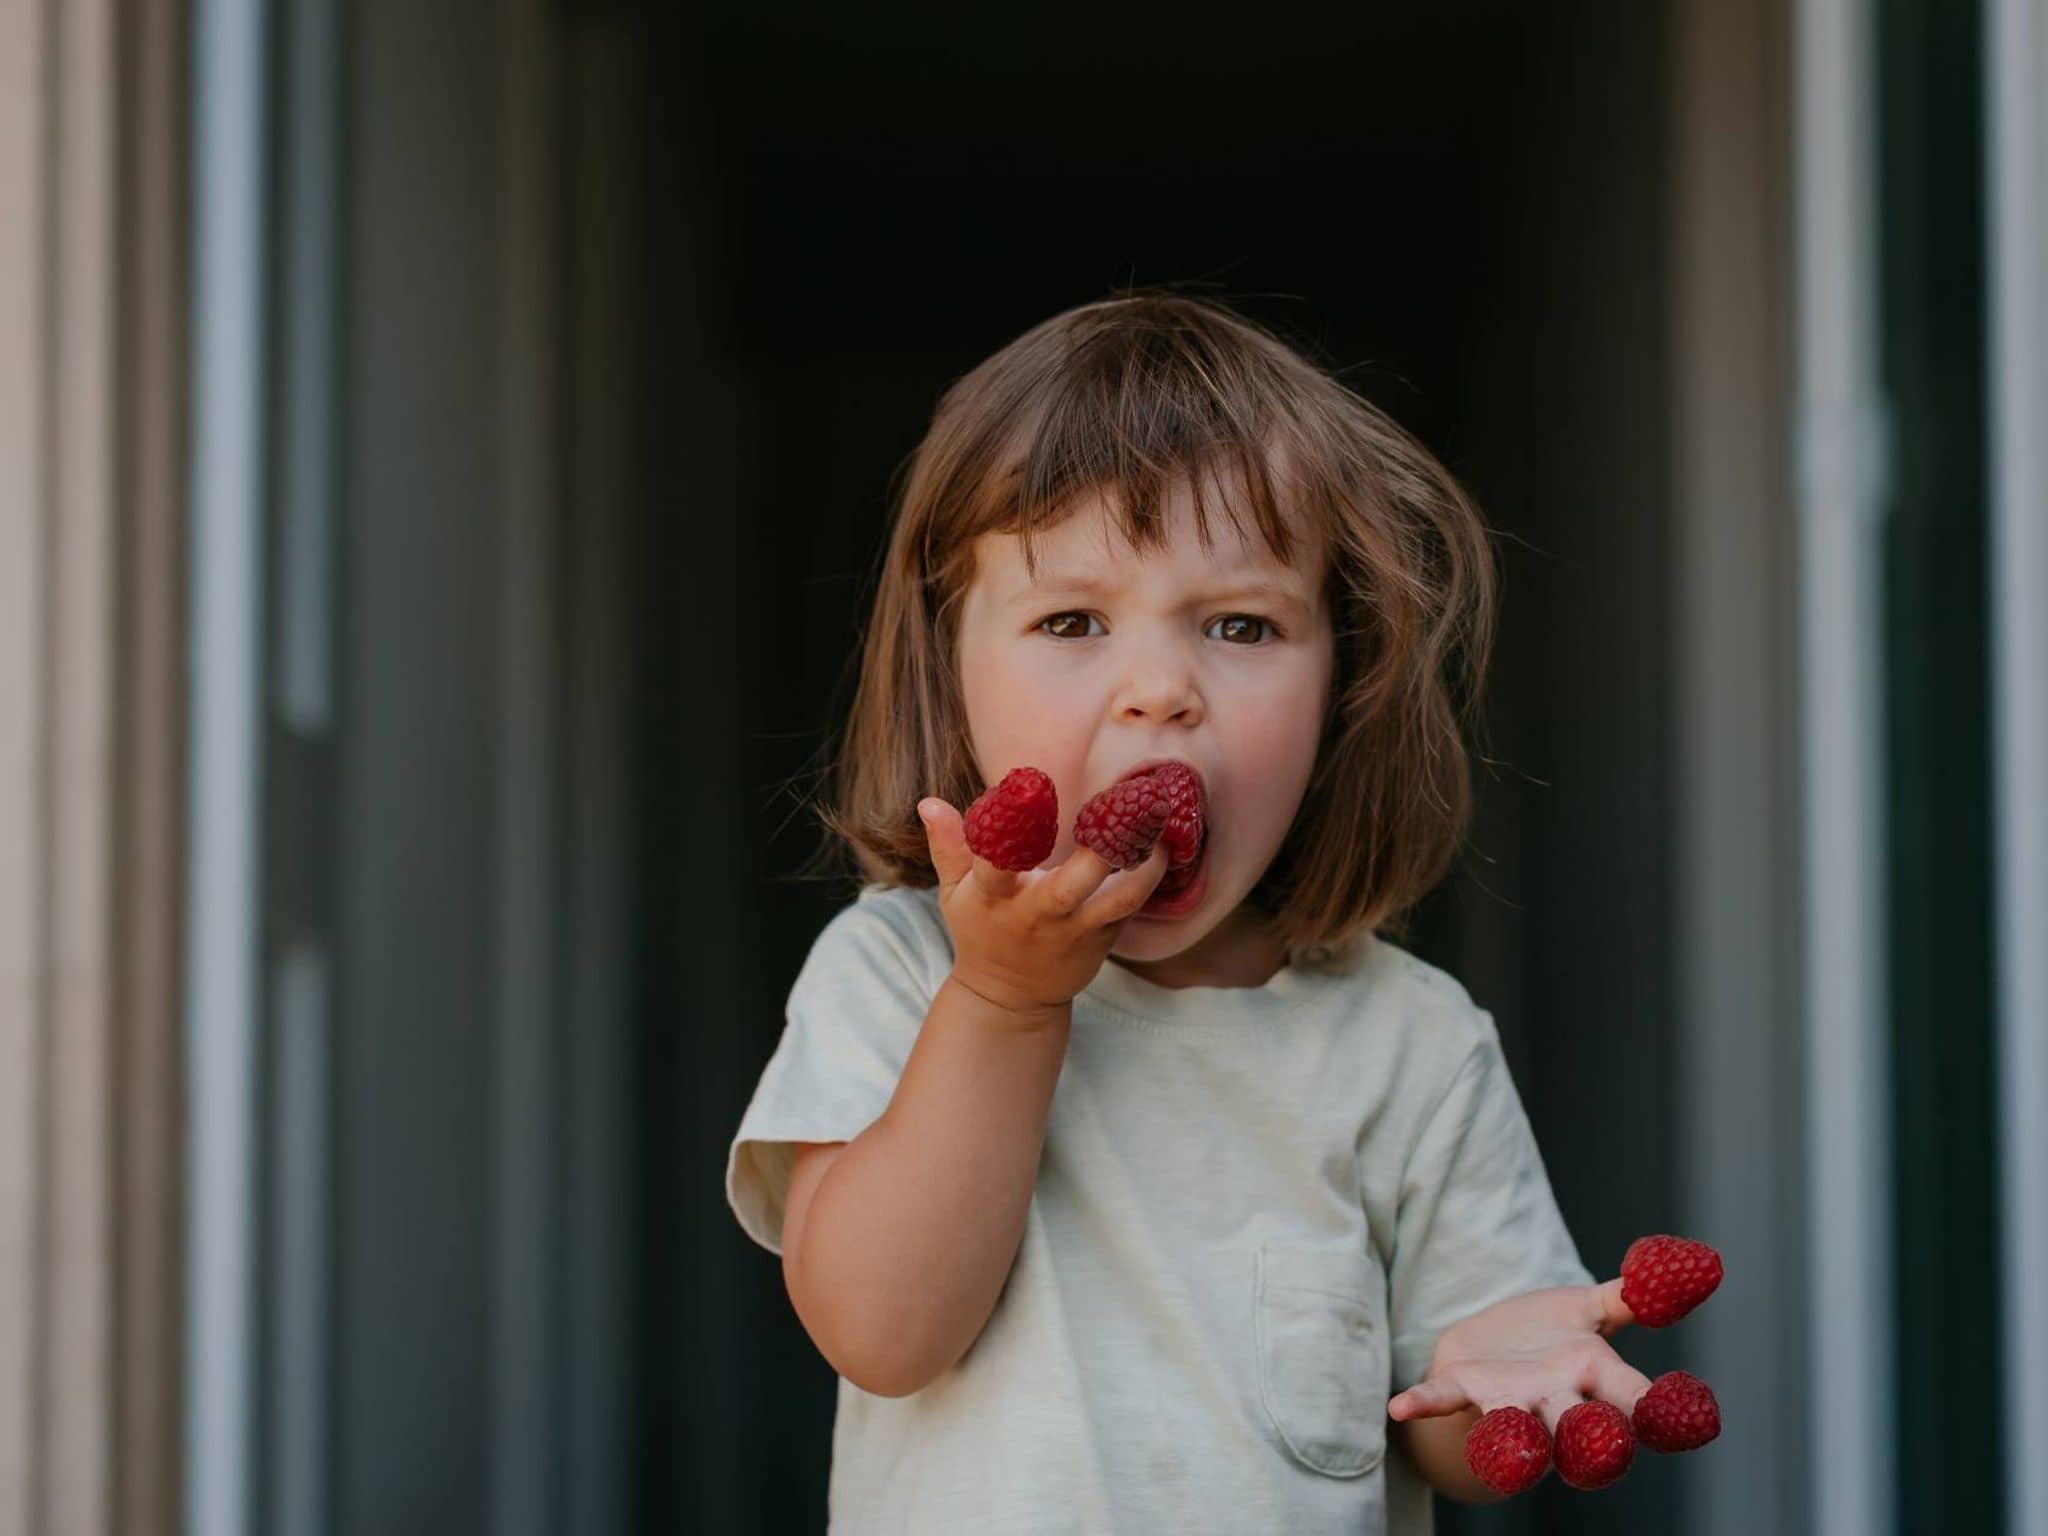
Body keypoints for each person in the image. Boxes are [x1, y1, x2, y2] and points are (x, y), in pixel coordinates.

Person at [725, 290, 1650, 1533]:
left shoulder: (1411, 1044)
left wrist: (1509, 1398)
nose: (1160, 690)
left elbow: (1444, 1440)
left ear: (1344, 681)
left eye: (1238, 624)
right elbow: (883, 1332)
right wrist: (1003, 998)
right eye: (1070, 621)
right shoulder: (893, 971)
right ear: (950, 666)